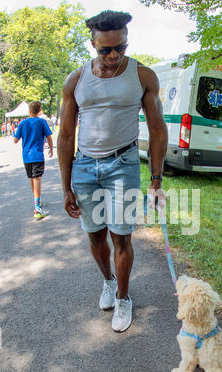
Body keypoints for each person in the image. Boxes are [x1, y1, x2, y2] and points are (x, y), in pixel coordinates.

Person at [58, 10, 168, 333]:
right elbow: (65, 137)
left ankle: (123, 297)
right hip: (85, 167)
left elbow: (158, 131)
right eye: (105, 49)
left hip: (124, 165)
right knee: (95, 236)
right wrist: (66, 187)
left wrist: (156, 180)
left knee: (122, 236)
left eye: (120, 46)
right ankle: (107, 281)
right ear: (93, 44)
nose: (114, 54)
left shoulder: (142, 76)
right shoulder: (75, 80)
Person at [14, 101, 53, 220]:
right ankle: (37, 208)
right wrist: (51, 149)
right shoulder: (42, 122)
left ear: (29, 111)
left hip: (26, 156)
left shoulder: (23, 123)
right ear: (39, 111)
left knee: (32, 178)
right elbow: (49, 137)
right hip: (37, 155)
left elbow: (15, 140)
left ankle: (37, 202)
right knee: (37, 179)